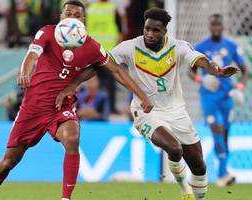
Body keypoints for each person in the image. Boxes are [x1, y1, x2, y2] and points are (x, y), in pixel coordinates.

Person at [57, 8, 239, 200]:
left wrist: (217, 71)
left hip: (176, 110)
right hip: (146, 111)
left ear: (164, 32)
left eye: (155, 31)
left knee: (199, 166)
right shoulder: (129, 47)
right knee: (174, 148)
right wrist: (74, 84)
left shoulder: (178, 46)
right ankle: (184, 190)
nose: (149, 34)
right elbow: (101, 65)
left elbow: (201, 61)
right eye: (147, 29)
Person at [0, 1, 152, 200]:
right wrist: (25, 73)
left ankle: (66, 198)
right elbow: (31, 56)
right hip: (33, 108)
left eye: (76, 15)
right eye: (67, 13)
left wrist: (142, 96)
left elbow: (116, 71)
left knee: (72, 138)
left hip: (61, 106)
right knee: (8, 162)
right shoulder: (46, 32)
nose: (71, 17)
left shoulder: (92, 46)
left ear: (83, 20)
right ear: (61, 17)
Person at [191, 14, 249, 187]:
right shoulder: (200, 47)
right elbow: (190, 70)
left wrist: (239, 88)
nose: (216, 28)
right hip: (208, 96)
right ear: (210, 27)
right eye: (213, 25)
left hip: (226, 96)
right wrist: (200, 80)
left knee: (225, 133)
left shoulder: (231, 45)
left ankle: (223, 172)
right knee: (216, 127)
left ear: (222, 27)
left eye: (219, 25)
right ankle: (223, 174)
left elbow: (245, 70)